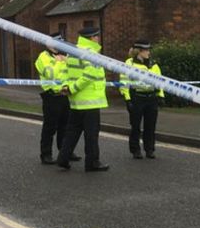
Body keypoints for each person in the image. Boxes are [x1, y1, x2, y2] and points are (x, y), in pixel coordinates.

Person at [57, 25, 110, 172]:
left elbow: (67, 74)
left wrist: (68, 87)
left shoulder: (72, 52)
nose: (98, 39)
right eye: (97, 36)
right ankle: (92, 162)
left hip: (76, 101)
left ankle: (63, 158)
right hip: (90, 100)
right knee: (91, 134)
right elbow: (90, 75)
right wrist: (73, 88)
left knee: (72, 131)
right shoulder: (91, 53)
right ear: (92, 38)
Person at [34, 33, 79, 165]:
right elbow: (51, 74)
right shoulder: (43, 57)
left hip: (66, 95)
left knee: (65, 126)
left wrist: (65, 62)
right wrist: (61, 63)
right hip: (51, 96)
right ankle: (46, 154)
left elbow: (73, 72)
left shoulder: (65, 55)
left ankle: (65, 152)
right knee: (50, 127)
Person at [120, 39, 165, 159]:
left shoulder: (153, 63)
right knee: (135, 126)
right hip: (136, 97)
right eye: (146, 50)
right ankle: (135, 150)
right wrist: (127, 99)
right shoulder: (129, 64)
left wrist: (160, 95)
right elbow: (124, 82)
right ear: (139, 51)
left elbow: (159, 80)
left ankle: (149, 149)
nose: (149, 52)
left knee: (150, 126)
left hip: (151, 98)